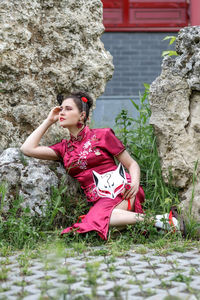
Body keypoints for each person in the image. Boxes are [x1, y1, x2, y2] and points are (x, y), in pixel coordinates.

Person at [20, 91, 180, 240]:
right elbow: (27, 148)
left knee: (97, 221)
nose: (62, 113)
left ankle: (165, 222)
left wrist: (135, 183)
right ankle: (161, 222)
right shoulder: (63, 148)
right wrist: (48, 120)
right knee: (96, 229)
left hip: (122, 191)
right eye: (61, 109)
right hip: (100, 200)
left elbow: (132, 164)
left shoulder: (102, 135)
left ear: (81, 115)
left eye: (68, 109)